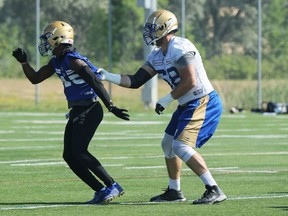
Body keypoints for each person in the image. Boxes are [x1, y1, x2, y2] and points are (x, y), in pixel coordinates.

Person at [97, 10, 226, 204]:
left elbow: (190, 81)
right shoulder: (157, 55)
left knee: (180, 146)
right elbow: (135, 80)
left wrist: (166, 100)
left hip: (203, 101)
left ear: (165, 28)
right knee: (167, 144)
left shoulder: (180, 47)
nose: (149, 32)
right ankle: (175, 191)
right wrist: (108, 76)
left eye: (153, 28)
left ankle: (214, 188)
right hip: (187, 103)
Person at [12, 21, 129, 205]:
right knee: (69, 154)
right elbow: (35, 78)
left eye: (48, 38)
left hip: (90, 108)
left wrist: (111, 106)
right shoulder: (56, 61)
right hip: (78, 109)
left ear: (59, 38)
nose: (46, 42)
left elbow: (95, 81)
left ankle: (112, 185)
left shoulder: (73, 60)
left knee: (79, 151)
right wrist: (23, 62)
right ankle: (100, 190)